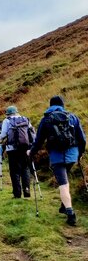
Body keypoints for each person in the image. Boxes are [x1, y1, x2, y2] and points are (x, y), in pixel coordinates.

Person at [27, 95, 86, 226]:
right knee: (65, 180)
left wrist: (31, 152)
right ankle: (64, 206)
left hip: (56, 156)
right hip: (72, 155)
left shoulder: (46, 120)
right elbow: (82, 138)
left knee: (63, 184)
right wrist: (80, 153)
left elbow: (39, 141)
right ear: (62, 105)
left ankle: (70, 214)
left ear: (50, 105)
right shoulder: (72, 117)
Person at [0, 105, 35, 198]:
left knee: (14, 171)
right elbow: (32, 133)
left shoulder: (7, 121)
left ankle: (17, 193)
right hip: (25, 149)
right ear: (17, 112)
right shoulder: (25, 119)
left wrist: (0, 140)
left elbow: (3, 134)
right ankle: (27, 190)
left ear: (8, 114)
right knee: (25, 169)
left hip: (12, 150)